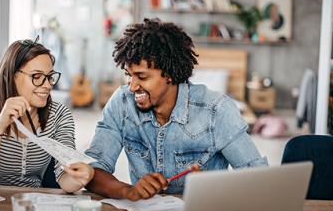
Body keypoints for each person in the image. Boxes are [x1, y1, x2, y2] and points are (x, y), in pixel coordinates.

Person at [85, 18, 267, 201]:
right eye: (129, 76)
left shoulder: (216, 111)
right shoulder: (122, 103)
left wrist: (217, 190)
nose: (132, 87)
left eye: (142, 77)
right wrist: (128, 191)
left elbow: (259, 180)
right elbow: (92, 170)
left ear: (170, 74)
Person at [0, 38, 94, 198]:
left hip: (35, 205)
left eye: (50, 76)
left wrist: (79, 178)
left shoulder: (59, 115)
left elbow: (65, 178)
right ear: (11, 76)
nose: (47, 85)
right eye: (37, 76)